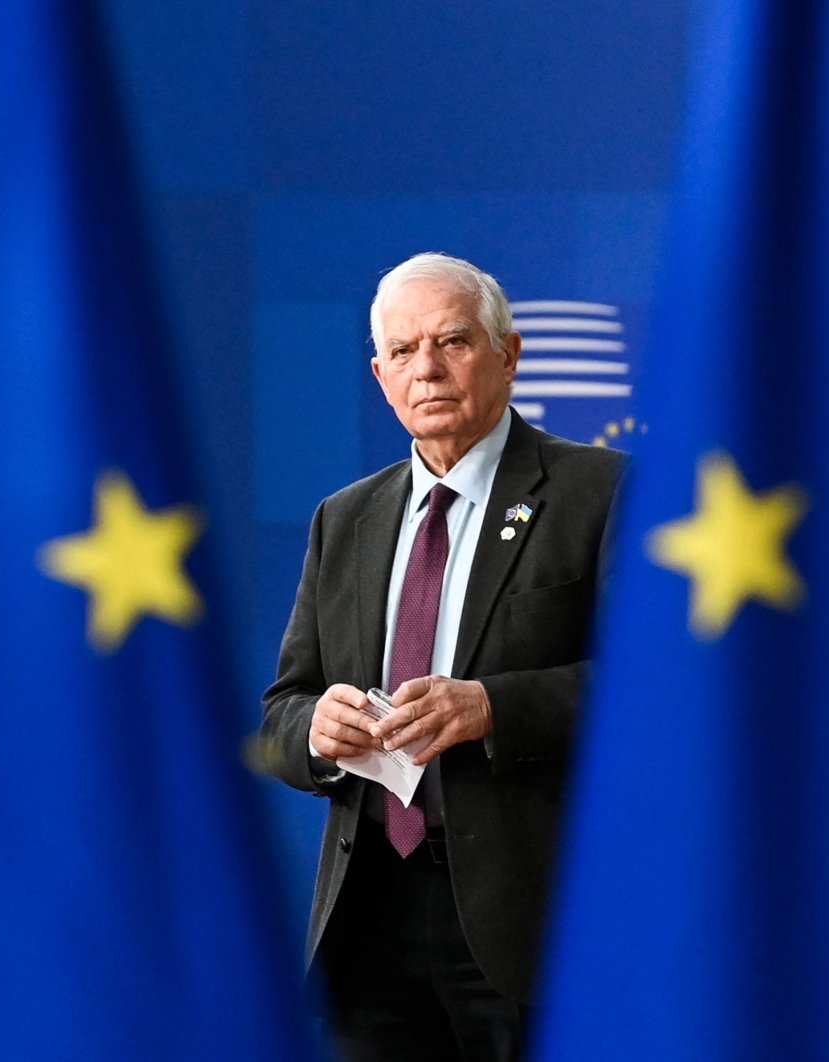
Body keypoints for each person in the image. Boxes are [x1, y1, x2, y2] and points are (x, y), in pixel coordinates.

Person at [261, 252, 625, 1061]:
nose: (426, 369)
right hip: (369, 922)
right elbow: (282, 708)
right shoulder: (343, 519)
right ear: (380, 375)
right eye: (402, 351)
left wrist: (492, 706)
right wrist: (317, 734)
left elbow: (656, 698)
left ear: (509, 353)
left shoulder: (603, 493)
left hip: (531, 921)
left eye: (452, 342)